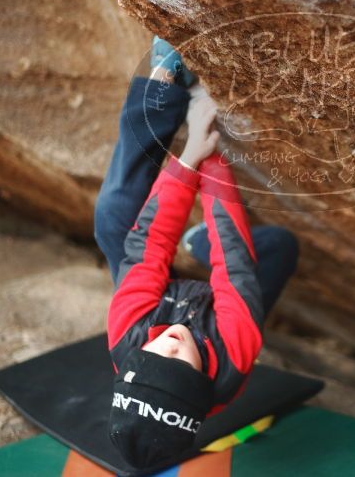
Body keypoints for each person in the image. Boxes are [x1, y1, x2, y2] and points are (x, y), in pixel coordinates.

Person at [93, 38, 299, 470]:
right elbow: (235, 261)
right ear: (201, 382)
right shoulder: (235, 353)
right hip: (219, 308)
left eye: (153, 360)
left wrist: (187, 158)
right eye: (179, 366)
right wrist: (210, 155)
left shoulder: (127, 333)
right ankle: (200, 242)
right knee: (278, 247)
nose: (168, 347)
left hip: (158, 293)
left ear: (133, 362)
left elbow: (146, 247)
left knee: (113, 216)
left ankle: (163, 83)